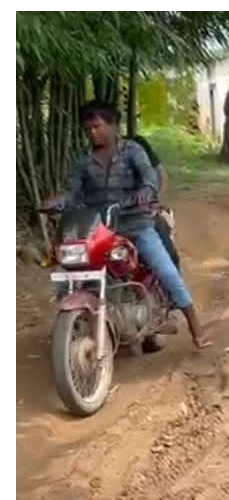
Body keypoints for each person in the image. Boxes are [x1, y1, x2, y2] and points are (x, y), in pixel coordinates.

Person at [57, 100, 210, 348]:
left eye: (97, 126)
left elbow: (150, 178)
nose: (92, 133)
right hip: (99, 229)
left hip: (136, 223)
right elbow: (74, 193)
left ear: (113, 125)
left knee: (167, 270)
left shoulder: (133, 151)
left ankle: (195, 324)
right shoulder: (83, 160)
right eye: (88, 129)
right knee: (71, 272)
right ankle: (79, 322)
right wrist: (60, 201)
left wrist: (145, 192)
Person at [127, 134, 180, 269]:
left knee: (170, 258)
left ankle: (175, 289)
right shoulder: (96, 153)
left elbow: (161, 175)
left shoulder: (137, 144)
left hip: (144, 214)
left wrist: (155, 199)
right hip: (113, 218)